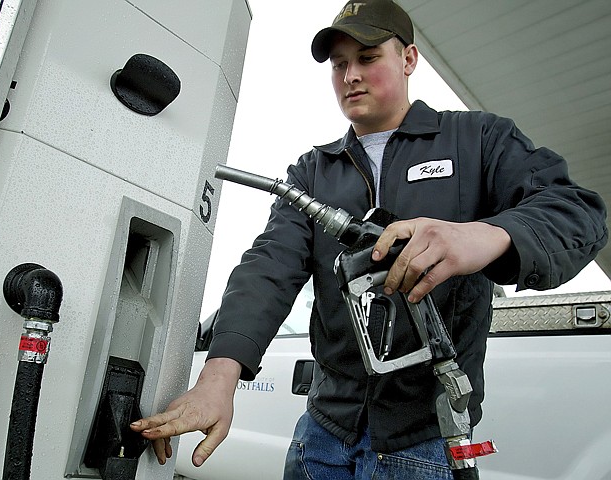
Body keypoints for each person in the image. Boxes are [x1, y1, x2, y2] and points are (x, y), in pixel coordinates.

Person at [131, 1, 608, 478]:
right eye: (340, 64)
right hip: (321, 436)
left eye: (367, 57)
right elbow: (268, 268)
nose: (350, 75)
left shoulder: (478, 140)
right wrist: (219, 377)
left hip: (427, 441)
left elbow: (578, 212)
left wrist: (484, 235)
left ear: (409, 59)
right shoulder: (312, 172)